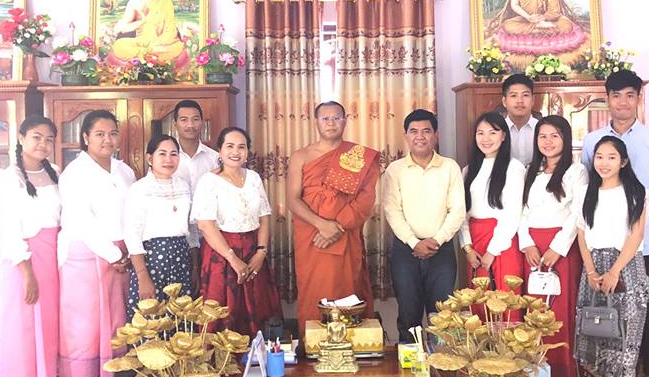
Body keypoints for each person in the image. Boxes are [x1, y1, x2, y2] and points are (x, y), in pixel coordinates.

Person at [582, 70, 649, 377]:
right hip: (603, 248)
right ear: (606, 98)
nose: (622, 102)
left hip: (644, 244)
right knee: (609, 317)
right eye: (616, 95)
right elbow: (587, 191)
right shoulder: (593, 141)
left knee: (647, 314)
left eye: (629, 95)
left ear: (639, 98)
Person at [0, 116, 72, 377]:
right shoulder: (8, 178)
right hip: (22, 260)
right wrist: (27, 273)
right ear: (21, 138)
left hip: (51, 255)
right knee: (24, 328)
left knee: (45, 328)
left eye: (49, 139)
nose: (43, 144)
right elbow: (7, 229)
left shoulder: (56, 174)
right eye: (37, 137)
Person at [57, 110, 136, 377]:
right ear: (86, 137)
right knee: (87, 325)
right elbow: (81, 221)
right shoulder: (75, 173)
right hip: (85, 254)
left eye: (112, 133)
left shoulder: (124, 170)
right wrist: (115, 254)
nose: (107, 140)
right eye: (100, 134)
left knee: (116, 323)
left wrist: (127, 252)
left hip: (121, 254)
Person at [575, 136, 649, 377]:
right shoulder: (585, 192)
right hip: (594, 266)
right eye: (599, 156)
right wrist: (591, 270)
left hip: (625, 265)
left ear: (623, 161)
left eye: (611, 157)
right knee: (602, 329)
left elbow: (636, 235)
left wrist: (614, 271)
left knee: (627, 332)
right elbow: (582, 234)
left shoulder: (636, 192)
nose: (604, 163)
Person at [287, 101, 380, 335]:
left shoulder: (359, 156)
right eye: (325, 118)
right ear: (316, 122)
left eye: (336, 118)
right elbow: (293, 200)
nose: (331, 123)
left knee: (346, 289)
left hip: (345, 235)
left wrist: (336, 227)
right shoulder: (301, 156)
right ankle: (313, 346)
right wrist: (322, 225)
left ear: (345, 121)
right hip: (311, 238)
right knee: (313, 292)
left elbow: (366, 200)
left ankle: (348, 345)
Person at [518, 115, 588, 377]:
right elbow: (521, 209)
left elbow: (577, 213)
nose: (547, 142)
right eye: (542, 136)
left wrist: (557, 248)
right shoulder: (529, 171)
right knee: (533, 315)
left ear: (565, 139)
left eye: (554, 136)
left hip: (562, 249)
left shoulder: (576, 171)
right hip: (532, 250)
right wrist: (527, 242)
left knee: (560, 315)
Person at [382, 109, 465, 342]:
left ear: (436, 135)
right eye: (414, 131)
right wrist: (414, 242)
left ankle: (442, 363)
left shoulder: (450, 167)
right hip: (405, 250)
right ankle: (409, 364)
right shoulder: (395, 169)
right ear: (406, 136)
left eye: (426, 131)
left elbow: (457, 210)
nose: (420, 136)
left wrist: (436, 240)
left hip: (441, 249)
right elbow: (392, 211)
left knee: (443, 316)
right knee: (408, 314)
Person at [192, 127, 282, 337]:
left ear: (247, 152)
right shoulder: (209, 181)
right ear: (220, 151)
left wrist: (261, 252)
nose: (235, 152)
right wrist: (232, 258)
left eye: (241, 147)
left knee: (259, 306)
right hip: (221, 253)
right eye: (230, 146)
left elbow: (264, 217)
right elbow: (205, 225)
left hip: (253, 251)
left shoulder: (253, 178)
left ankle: (258, 356)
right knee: (223, 313)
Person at [123, 135, 194, 314]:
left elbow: (191, 228)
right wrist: (142, 275)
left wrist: (194, 264)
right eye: (162, 154)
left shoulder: (183, 186)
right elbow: (132, 233)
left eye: (173, 154)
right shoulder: (139, 189)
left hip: (181, 257)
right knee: (152, 317)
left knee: (180, 317)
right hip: (152, 260)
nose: (168, 159)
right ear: (150, 158)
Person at [458, 111, 526, 296]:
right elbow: (462, 213)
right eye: (480, 133)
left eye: (493, 132)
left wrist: (492, 251)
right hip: (475, 241)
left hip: (502, 243)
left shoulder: (514, 168)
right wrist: (467, 248)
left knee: (504, 299)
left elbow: (512, 214)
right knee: (478, 300)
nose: (486, 139)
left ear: (503, 136)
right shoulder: (467, 171)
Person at [172, 100, 220, 281]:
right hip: (175, 236)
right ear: (175, 123)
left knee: (208, 285)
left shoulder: (215, 158)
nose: (190, 125)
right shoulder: (167, 158)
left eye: (195, 119)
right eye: (184, 120)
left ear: (202, 122)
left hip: (209, 235)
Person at [111, 0, 184, 65]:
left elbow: (171, 32)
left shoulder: (166, 2)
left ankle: (143, 57)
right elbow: (120, 28)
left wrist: (156, 44)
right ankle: (149, 56)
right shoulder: (134, 2)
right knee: (119, 46)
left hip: (161, 44)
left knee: (177, 47)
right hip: (142, 42)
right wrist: (140, 22)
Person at [500, 73, 538, 167]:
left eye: (525, 95)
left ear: (533, 100)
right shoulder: (497, 130)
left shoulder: (542, 129)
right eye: (513, 96)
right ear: (504, 101)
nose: (520, 101)